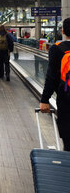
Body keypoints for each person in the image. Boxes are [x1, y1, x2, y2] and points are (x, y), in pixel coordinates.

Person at [40, 17, 70, 151]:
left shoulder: (57, 49)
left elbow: (51, 77)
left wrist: (44, 100)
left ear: (63, 31)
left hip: (66, 100)